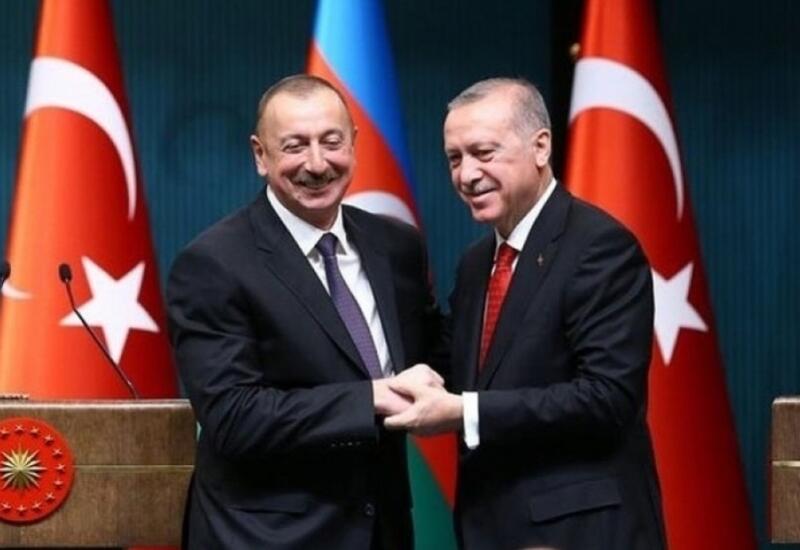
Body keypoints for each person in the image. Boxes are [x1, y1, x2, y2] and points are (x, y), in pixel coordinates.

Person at [385, 78, 666, 549]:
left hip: (580, 535)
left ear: (541, 147)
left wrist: (465, 412)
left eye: (483, 153)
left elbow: (607, 399)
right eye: (454, 158)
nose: (466, 174)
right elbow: (459, 364)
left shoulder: (599, 246)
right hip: (491, 529)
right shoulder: (477, 263)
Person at [167, 75, 444, 550]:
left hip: (383, 531)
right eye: (295, 146)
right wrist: (371, 397)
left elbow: (437, 359)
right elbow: (233, 418)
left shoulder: (397, 245)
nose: (317, 164)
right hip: (265, 538)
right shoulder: (213, 263)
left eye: (331, 142)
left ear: (354, 143)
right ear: (260, 155)